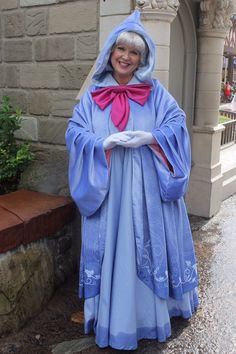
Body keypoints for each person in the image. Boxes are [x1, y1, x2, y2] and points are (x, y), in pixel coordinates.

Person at [65, 10, 198, 350]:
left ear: (142, 58)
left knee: (146, 243)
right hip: (109, 188)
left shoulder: (155, 92)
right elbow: (74, 132)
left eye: (134, 52)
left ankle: (150, 315)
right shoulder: (94, 94)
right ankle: (112, 317)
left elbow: (177, 124)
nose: (126, 57)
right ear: (110, 52)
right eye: (120, 49)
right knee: (113, 247)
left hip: (146, 188)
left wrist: (150, 138)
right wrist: (100, 144)